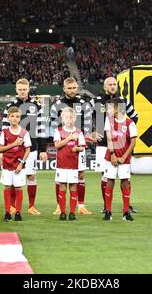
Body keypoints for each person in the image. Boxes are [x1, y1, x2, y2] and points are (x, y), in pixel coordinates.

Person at [90, 77, 138, 214]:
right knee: (105, 176)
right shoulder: (97, 101)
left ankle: (127, 206)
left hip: (122, 145)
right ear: (104, 87)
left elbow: (135, 116)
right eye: (109, 84)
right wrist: (92, 131)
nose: (112, 86)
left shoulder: (124, 101)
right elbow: (87, 117)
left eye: (114, 84)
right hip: (103, 143)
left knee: (125, 176)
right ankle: (106, 206)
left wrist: (126, 131)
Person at [1, 78, 47, 215]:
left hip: (31, 147)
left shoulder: (37, 106)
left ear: (28, 89)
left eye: (24, 89)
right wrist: (4, 151)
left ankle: (31, 206)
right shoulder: (10, 106)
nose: (22, 92)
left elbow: (42, 129)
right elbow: (4, 130)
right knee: (14, 176)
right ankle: (13, 207)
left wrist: (43, 149)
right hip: (13, 150)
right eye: (20, 89)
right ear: (16, 90)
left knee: (31, 176)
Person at [50, 77, 93, 215]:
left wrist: (82, 140)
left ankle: (81, 206)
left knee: (81, 175)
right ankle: (59, 206)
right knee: (60, 178)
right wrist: (67, 138)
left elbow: (88, 124)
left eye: (74, 87)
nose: (72, 90)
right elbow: (54, 125)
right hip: (63, 146)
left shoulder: (84, 104)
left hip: (78, 145)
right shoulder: (57, 105)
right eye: (69, 88)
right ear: (64, 89)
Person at [103, 98, 137, 222]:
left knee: (125, 183)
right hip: (110, 157)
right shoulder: (108, 121)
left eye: (110, 108)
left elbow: (133, 143)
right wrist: (112, 154)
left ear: (117, 108)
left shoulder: (130, 123)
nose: (108, 110)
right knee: (110, 182)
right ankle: (108, 211)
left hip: (124, 159)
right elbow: (109, 139)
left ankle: (126, 211)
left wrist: (123, 157)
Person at [0, 106, 31, 222]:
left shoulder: (24, 132)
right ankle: (7, 212)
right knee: (7, 187)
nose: (14, 118)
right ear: (8, 118)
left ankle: (18, 212)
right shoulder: (5, 132)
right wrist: (14, 144)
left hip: (18, 166)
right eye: (12, 116)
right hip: (7, 165)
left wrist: (21, 163)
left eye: (17, 116)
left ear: (20, 118)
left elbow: (27, 149)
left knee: (18, 187)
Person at [54, 107, 86, 221]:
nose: (69, 119)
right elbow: (57, 145)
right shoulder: (58, 131)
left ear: (75, 118)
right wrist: (69, 138)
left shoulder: (79, 132)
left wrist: (77, 148)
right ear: (63, 119)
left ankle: (72, 213)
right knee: (62, 186)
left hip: (73, 165)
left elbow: (82, 147)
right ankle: (62, 212)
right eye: (67, 117)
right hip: (62, 164)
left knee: (73, 187)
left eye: (71, 117)